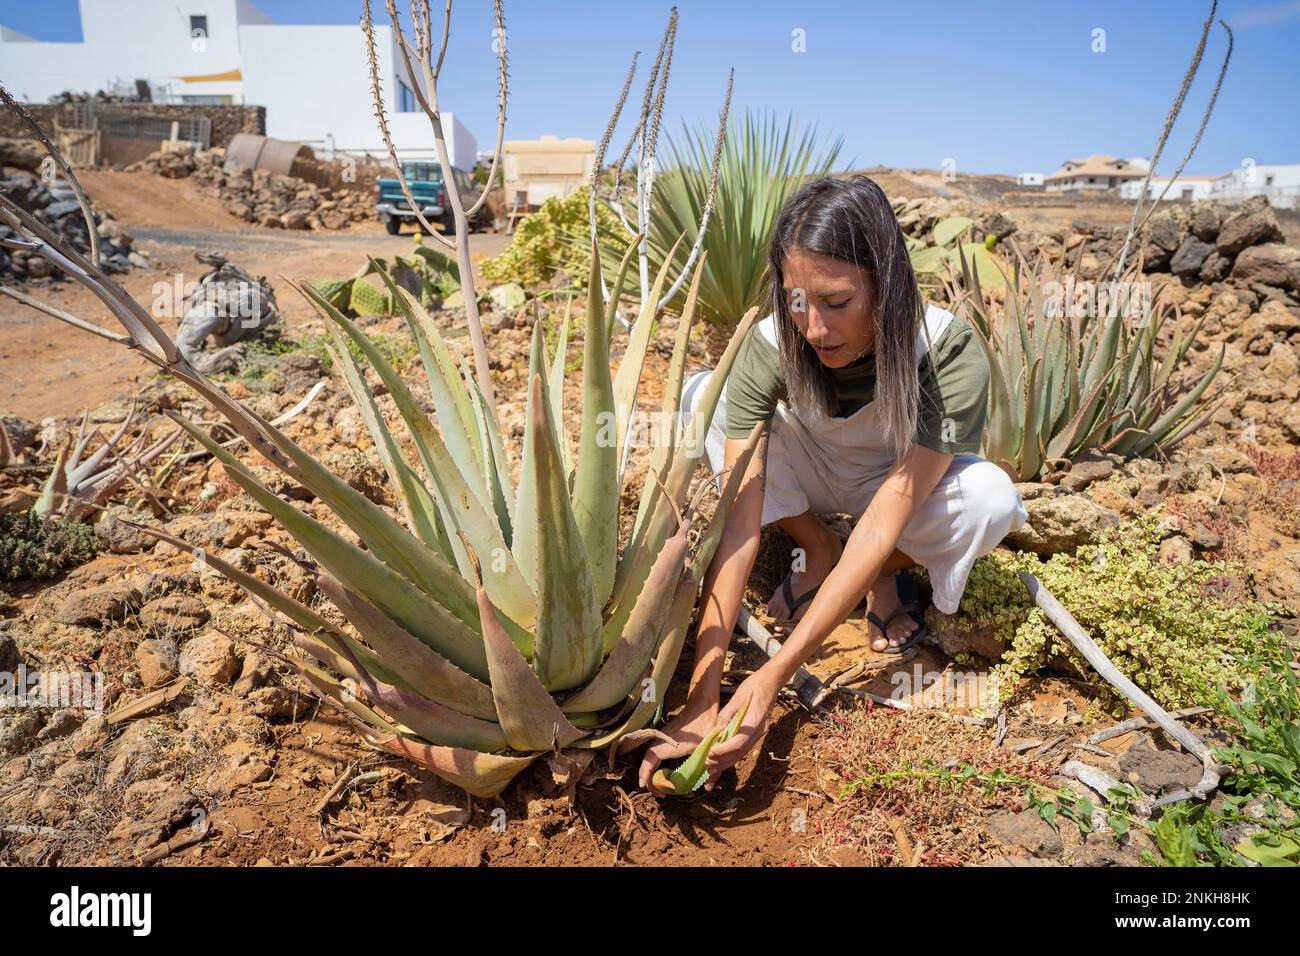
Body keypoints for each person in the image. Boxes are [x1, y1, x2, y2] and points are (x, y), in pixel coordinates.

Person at [639, 175, 1027, 795]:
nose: (814, 329)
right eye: (797, 301)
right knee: (703, 399)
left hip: (898, 486)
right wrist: (701, 695)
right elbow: (740, 518)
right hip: (813, 467)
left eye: (837, 302)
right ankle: (815, 546)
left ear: (887, 285)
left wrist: (770, 678)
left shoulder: (945, 350)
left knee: (990, 498)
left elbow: (882, 517)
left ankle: (880, 577)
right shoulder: (771, 343)